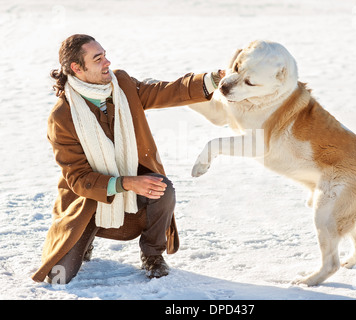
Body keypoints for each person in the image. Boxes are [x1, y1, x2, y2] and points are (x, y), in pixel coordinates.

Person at [31, 34, 223, 284]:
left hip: (130, 201)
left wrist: (213, 79)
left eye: (105, 55)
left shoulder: (121, 84)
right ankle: (85, 237)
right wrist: (127, 183)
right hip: (87, 201)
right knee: (59, 276)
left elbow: (164, 92)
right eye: (98, 59)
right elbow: (78, 178)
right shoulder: (62, 117)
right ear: (77, 68)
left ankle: (153, 255)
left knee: (160, 188)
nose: (107, 62)